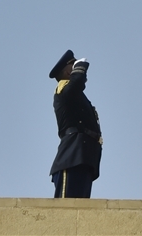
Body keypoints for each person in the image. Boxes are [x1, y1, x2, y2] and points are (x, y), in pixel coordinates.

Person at [48, 50, 103, 198]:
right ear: (67, 72)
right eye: (73, 65)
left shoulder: (76, 95)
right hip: (72, 156)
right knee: (66, 208)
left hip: (85, 156)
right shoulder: (63, 88)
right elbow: (75, 84)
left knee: (81, 209)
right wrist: (81, 67)